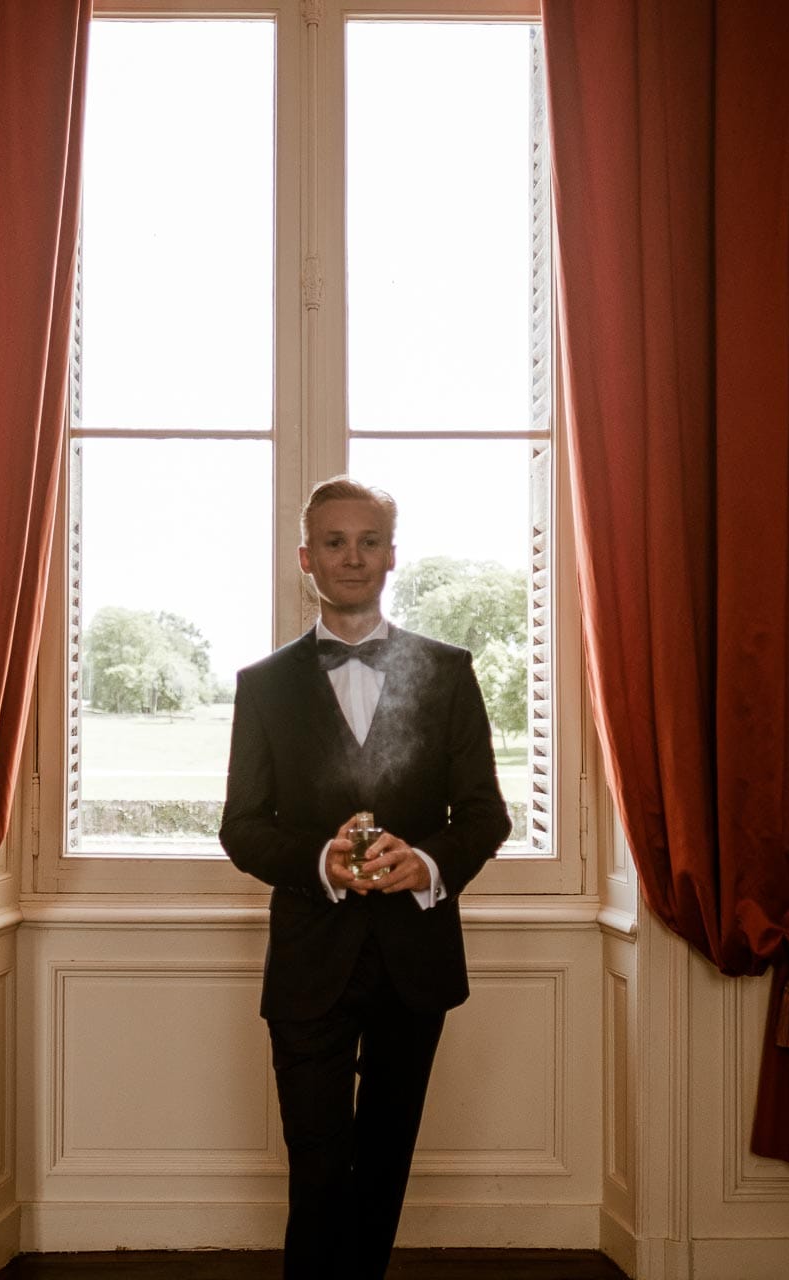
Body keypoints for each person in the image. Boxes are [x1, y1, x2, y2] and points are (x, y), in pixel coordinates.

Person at [220, 476, 510, 1278]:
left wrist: (426, 863)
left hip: (413, 961)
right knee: (317, 1169)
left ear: (391, 555)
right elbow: (241, 828)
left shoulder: (448, 672)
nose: (354, 556)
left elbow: (485, 815)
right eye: (336, 543)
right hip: (311, 964)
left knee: (383, 1169)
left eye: (370, 540)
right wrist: (321, 861)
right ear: (307, 558)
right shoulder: (263, 685)